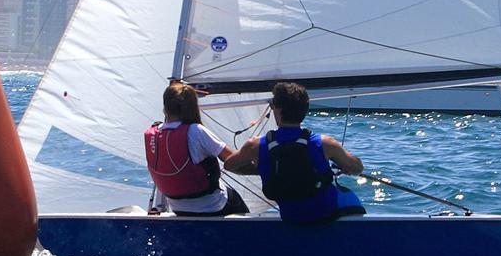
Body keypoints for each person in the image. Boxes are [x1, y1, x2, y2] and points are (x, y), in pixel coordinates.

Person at [224, 81, 365, 223]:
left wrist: (265, 168)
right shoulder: (325, 143)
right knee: (349, 196)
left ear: (277, 108)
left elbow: (229, 165)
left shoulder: (255, 145)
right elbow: (357, 168)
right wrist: (346, 166)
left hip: (291, 217)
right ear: (305, 109)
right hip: (325, 215)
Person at [145, 81, 250, 217]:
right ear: (193, 106)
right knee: (235, 199)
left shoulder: (153, 133)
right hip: (212, 206)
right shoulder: (196, 131)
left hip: (177, 207)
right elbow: (232, 159)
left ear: (165, 108)